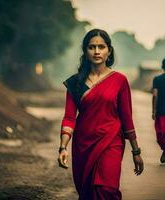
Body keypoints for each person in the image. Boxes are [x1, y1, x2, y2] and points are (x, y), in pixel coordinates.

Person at [58, 29, 144, 200]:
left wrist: (136, 151)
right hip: (83, 145)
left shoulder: (119, 80)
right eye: (91, 47)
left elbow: (127, 118)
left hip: (111, 142)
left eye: (101, 47)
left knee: (107, 189)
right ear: (85, 50)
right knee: (88, 192)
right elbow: (69, 117)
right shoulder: (75, 83)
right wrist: (63, 147)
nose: (97, 51)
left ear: (109, 51)